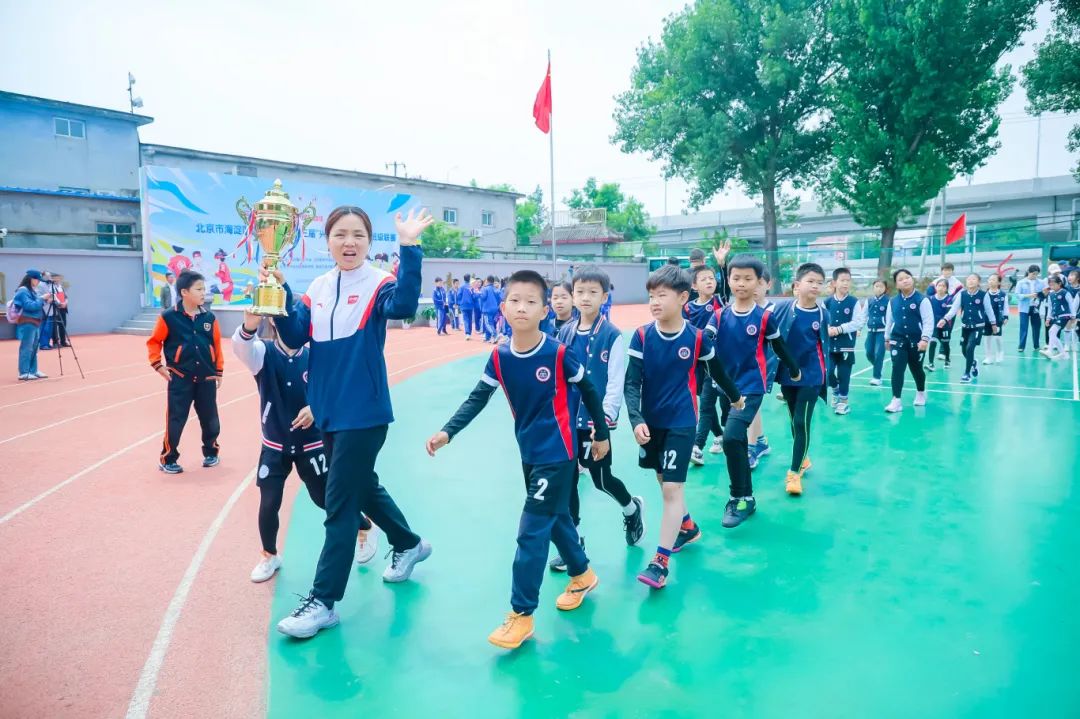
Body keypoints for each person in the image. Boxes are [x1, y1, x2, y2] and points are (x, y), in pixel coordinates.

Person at [270, 206, 435, 640]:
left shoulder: (378, 282)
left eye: (358, 235)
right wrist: (279, 293)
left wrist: (410, 247)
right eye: (340, 234)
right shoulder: (319, 287)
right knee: (363, 486)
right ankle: (409, 543)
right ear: (327, 241)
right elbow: (294, 336)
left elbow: (403, 305)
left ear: (368, 241)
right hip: (327, 410)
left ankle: (323, 602)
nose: (349, 242)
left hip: (364, 411)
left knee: (340, 504)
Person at [426, 270, 610, 650]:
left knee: (531, 530)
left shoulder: (558, 353)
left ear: (544, 310)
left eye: (531, 301)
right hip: (529, 451)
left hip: (558, 453)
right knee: (556, 518)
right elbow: (477, 398)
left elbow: (589, 389)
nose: (522, 307)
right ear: (503, 308)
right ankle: (582, 573)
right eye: (514, 300)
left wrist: (601, 433)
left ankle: (521, 614)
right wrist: (448, 431)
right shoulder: (500, 356)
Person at [232, 311, 380, 583]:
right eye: (283, 317)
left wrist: (316, 408)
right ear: (274, 321)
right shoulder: (263, 353)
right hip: (274, 444)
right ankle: (269, 555)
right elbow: (241, 347)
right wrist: (249, 326)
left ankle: (364, 526)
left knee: (324, 499)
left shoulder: (315, 356)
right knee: (269, 502)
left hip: (312, 442)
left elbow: (335, 391)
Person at [625, 265, 743, 589]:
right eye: (651, 296)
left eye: (661, 295)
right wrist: (636, 419)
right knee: (663, 480)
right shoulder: (642, 336)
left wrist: (736, 398)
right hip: (651, 424)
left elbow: (717, 371)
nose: (654, 302)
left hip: (682, 421)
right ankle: (687, 527)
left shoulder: (697, 338)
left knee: (671, 489)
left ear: (682, 298)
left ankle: (660, 562)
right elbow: (632, 384)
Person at [549, 265, 644, 572]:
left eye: (593, 292)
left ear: (605, 296)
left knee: (601, 479)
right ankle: (574, 542)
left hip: (594, 423)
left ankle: (631, 508)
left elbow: (615, 382)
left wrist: (603, 424)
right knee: (568, 481)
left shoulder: (612, 335)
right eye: (580, 291)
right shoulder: (564, 332)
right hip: (567, 421)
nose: (585, 297)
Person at [706, 256, 800, 520]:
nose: (741, 283)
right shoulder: (719, 315)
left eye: (748, 279)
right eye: (736, 278)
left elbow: (779, 346)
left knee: (731, 437)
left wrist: (794, 369)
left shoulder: (764, 317)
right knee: (734, 439)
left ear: (759, 282)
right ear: (729, 280)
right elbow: (706, 339)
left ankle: (739, 498)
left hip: (751, 387)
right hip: (726, 387)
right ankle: (746, 497)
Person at [146, 270, 224, 473]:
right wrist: (158, 364)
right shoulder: (169, 317)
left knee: (210, 419)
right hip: (180, 379)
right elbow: (154, 342)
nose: (203, 293)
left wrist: (218, 371)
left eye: (204, 289)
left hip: (206, 378)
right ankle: (168, 458)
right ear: (184, 292)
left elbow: (216, 345)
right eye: (199, 289)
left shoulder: (209, 318)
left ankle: (211, 452)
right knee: (176, 420)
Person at [772, 263, 830, 497]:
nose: (815, 286)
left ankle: (794, 472)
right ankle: (803, 458)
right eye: (811, 281)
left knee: (800, 422)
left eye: (819, 282)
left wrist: (827, 377)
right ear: (797, 285)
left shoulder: (822, 314)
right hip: (788, 373)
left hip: (812, 375)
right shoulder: (782, 309)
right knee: (792, 417)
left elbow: (824, 346)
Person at [686, 265, 725, 466]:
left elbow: (726, 287)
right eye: (704, 279)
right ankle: (720, 435)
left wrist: (722, 266)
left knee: (708, 406)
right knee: (706, 402)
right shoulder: (688, 308)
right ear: (694, 286)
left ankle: (697, 446)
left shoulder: (719, 302)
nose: (710, 281)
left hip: (717, 361)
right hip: (697, 364)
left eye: (712, 278)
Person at [884, 269, 933, 412]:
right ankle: (896, 400)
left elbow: (928, 321)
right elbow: (889, 321)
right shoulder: (893, 301)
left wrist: (925, 339)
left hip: (917, 341)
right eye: (901, 279)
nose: (905, 280)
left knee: (916, 368)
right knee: (897, 368)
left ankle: (921, 392)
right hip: (897, 340)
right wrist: (887, 338)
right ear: (897, 285)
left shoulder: (922, 299)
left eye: (907, 277)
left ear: (912, 279)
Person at [940, 273, 999, 383]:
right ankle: (973, 362)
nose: (971, 281)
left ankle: (967, 374)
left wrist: (993, 323)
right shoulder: (962, 295)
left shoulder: (983, 295)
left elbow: (989, 310)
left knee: (970, 348)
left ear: (978, 282)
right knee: (964, 350)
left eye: (973, 279)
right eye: (969, 279)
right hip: (965, 327)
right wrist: (945, 319)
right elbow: (953, 309)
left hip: (978, 327)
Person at [824, 267, 867, 416]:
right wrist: (827, 328)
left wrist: (839, 329)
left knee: (844, 375)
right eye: (842, 280)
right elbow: (822, 320)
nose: (846, 283)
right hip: (829, 346)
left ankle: (843, 402)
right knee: (828, 372)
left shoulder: (853, 302)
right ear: (834, 283)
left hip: (846, 346)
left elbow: (858, 322)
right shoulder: (827, 302)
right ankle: (835, 390)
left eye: (848, 281)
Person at [11, 270, 48, 380]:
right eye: (37, 280)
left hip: (35, 322)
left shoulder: (31, 290)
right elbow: (30, 306)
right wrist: (42, 298)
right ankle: (24, 372)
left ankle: (33, 370)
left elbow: (36, 304)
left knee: (34, 347)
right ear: (31, 279)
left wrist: (46, 301)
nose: (39, 282)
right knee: (27, 347)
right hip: (27, 322)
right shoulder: (23, 291)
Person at [1043, 274, 1078, 360]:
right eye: (1050, 285)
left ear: (1059, 284)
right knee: (1052, 332)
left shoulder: (1065, 292)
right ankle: (1063, 354)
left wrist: (1073, 316)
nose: (1052, 286)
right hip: (1055, 316)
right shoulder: (1050, 294)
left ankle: (1050, 350)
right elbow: (1050, 307)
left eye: (1053, 284)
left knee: (1052, 331)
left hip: (1064, 315)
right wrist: (1048, 318)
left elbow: (1071, 304)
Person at [864, 279, 889, 386]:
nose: (878, 288)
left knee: (879, 354)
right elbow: (863, 315)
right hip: (870, 332)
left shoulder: (888, 301)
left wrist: (888, 333)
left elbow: (890, 318)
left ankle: (877, 377)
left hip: (882, 332)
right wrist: (859, 329)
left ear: (885, 289)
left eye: (881, 286)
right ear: (873, 288)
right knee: (869, 353)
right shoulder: (869, 300)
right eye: (876, 286)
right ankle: (879, 366)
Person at [926, 279, 954, 373]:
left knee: (945, 344)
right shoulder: (930, 299)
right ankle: (931, 364)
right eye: (939, 285)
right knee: (932, 343)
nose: (941, 288)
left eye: (943, 286)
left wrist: (943, 321)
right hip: (933, 325)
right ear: (936, 287)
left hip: (945, 326)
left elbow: (949, 313)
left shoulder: (949, 299)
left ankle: (947, 360)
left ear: (946, 288)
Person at [1015, 265, 1045, 353]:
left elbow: (1043, 294)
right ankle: (1021, 346)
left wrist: (1041, 295)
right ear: (1029, 272)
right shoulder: (1021, 282)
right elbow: (1017, 295)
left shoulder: (1041, 282)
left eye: (1037, 274)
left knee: (1036, 327)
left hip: (1036, 308)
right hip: (1024, 308)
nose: (1035, 276)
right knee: (1024, 327)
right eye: (1033, 274)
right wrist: (1029, 295)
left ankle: (1036, 345)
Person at [985, 273, 1009, 364]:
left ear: (999, 282)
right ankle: (988, 357)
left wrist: (1006, 316)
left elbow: (1005, 306)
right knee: (987, 338)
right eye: (990, 280)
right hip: (987, 319)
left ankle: (1000, 352)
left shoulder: (1002, 294)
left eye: (993, 280)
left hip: (998, 319)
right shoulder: (985, 294)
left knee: (997, 337)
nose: (991, 281)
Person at [37, 271, 58, 351]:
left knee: (50, 327)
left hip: (52, 307)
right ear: (43, 276)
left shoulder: (51, 284)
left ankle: (47, 343)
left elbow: (55, 293)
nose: (49, 277)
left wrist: (55, 299)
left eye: (49, 276)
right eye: (47, 276)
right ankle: (43, 344)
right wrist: (46, 299)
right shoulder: (40, 285)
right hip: (44, 307)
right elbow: (38, 296)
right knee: (44, 327)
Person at [480, 275, 501, 343]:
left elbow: (483, 297)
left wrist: (479, 293)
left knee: (488, 323)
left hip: (487, 308)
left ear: (487, 280)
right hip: (495, 308)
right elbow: (499, 299)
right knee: (491, 323)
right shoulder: (496, 289)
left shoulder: (485, 289)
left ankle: (495, 335)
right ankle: (487, 337)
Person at [51, 273, 70, 347]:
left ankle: (63, 341)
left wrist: (65, 303)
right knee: (54, 326)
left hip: (63, 309)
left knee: (63, 325)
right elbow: (53, 297)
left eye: (59, 278)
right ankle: (55, 342)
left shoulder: (61, 287)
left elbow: (65, 297)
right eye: (56, 278)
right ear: (52, 279)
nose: (58, 280)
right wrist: (59, 304)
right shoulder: (52, 287)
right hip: (56, 308)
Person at [457, 275, 477, 340]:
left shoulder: (461, 287)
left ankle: (467, 333)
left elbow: (458, 295)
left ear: (464, 279)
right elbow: (474, 296)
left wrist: (460, 303)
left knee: (465, 319)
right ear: (469, 279)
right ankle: (469, 333)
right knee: (470, 319)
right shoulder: (471, 287)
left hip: (463, 305)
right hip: (470, 305)